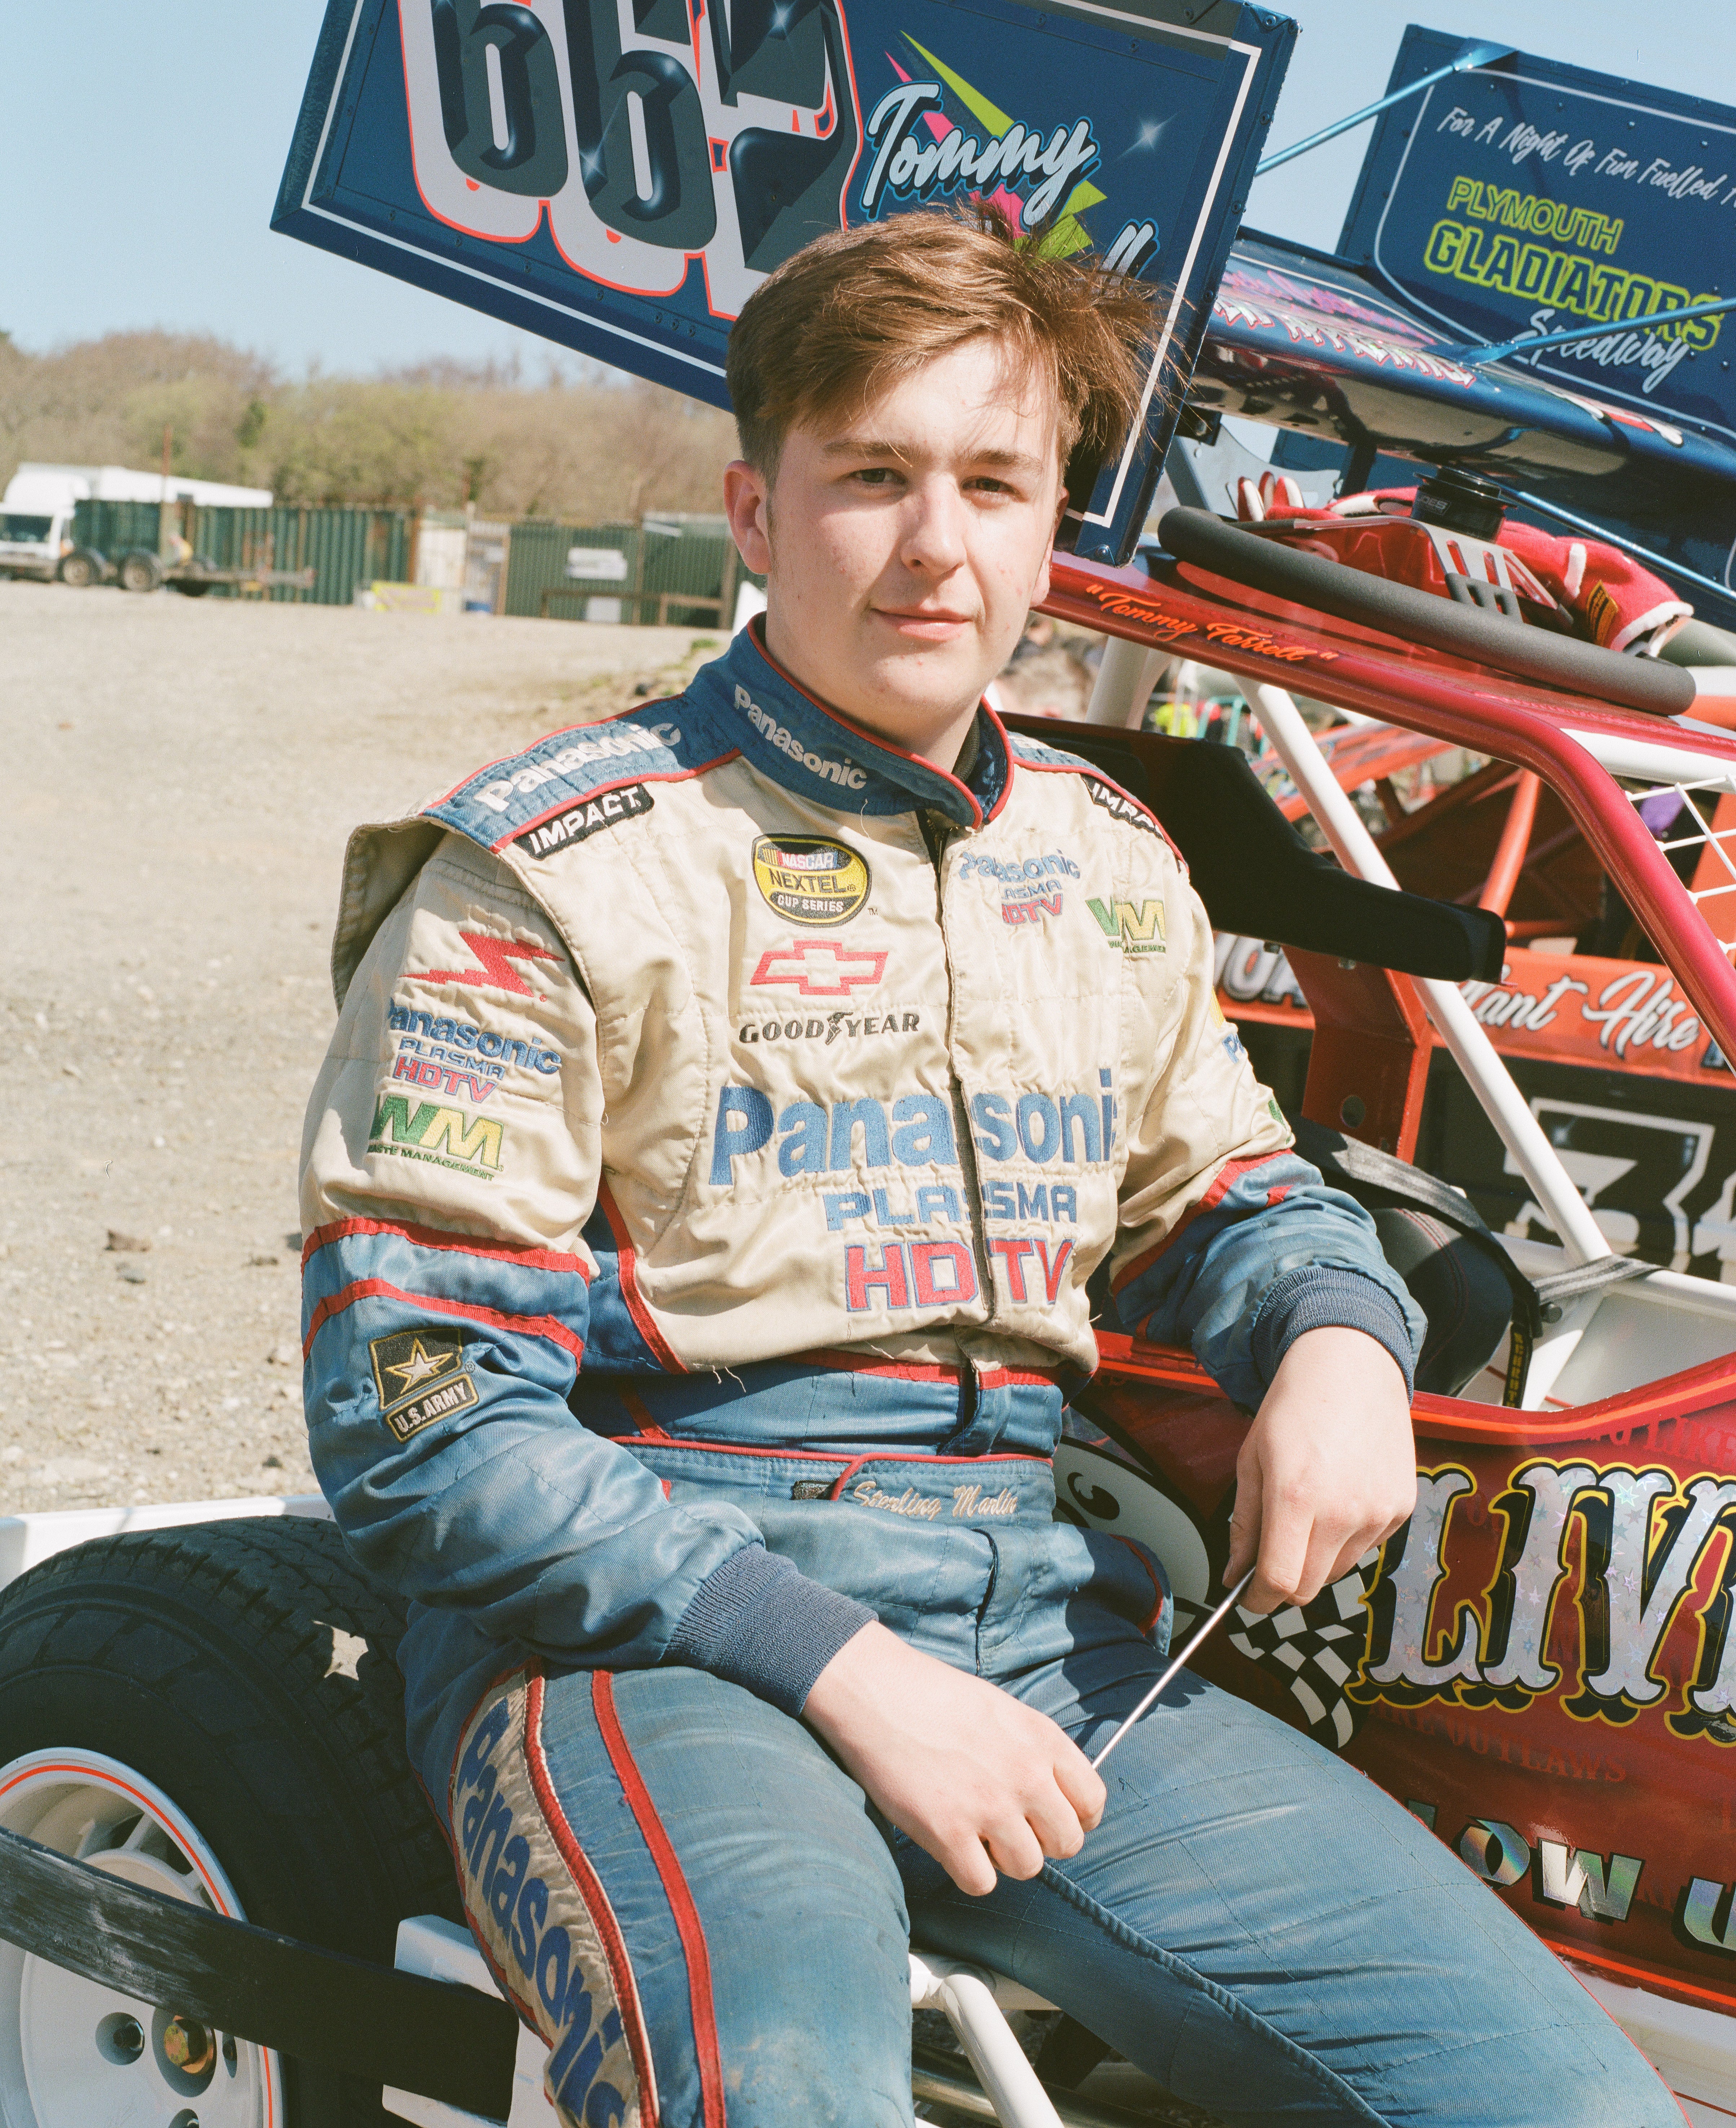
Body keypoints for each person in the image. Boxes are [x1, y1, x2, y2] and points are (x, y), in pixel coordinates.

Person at [298, 209, 1679, 2127]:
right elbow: (421, 1421)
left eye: (993, 482)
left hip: (1034, 1616)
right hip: (633, 1637)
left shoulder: (1108, 864)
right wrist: (846, 1668)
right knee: (772, 2091)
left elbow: (1234, 1200)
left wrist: (1342, 1344)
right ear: (756, 515)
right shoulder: (549, 864)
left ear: (1053, 529)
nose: (937, 544)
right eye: (872, 475)